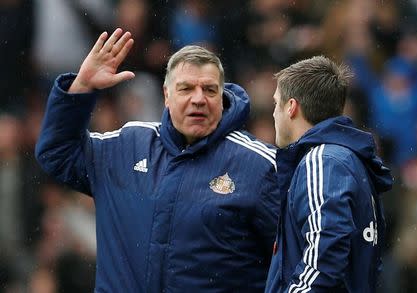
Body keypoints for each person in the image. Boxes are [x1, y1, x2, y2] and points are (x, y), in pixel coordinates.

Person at [35, 28, 279, 292]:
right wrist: (81, 89)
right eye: (185, 88)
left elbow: (295, 258)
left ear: (222, 97)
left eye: (209, 90)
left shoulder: (259, 166)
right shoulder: (127, 146)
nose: (198, 99)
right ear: (166, 96)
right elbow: (57, 154)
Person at [265, 56, 393, 293]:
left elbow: (325, 252)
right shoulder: (350, 160)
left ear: (291, 107)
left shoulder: (322, 161)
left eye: (276, 104)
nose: (274, 114)